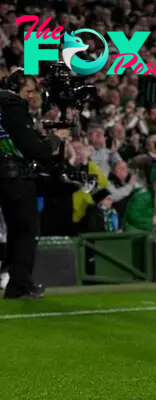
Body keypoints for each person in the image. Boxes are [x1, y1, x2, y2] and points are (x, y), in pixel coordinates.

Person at [0, 68, 66, 299]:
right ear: (19, 90)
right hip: (14, 177)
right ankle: (20, 284)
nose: (33, 95)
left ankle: (17, 282)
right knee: (26, 231)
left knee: (16, 230)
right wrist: (56, 138)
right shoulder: (13, 106)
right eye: (29, 90)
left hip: (5, 176)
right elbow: (33, 149)